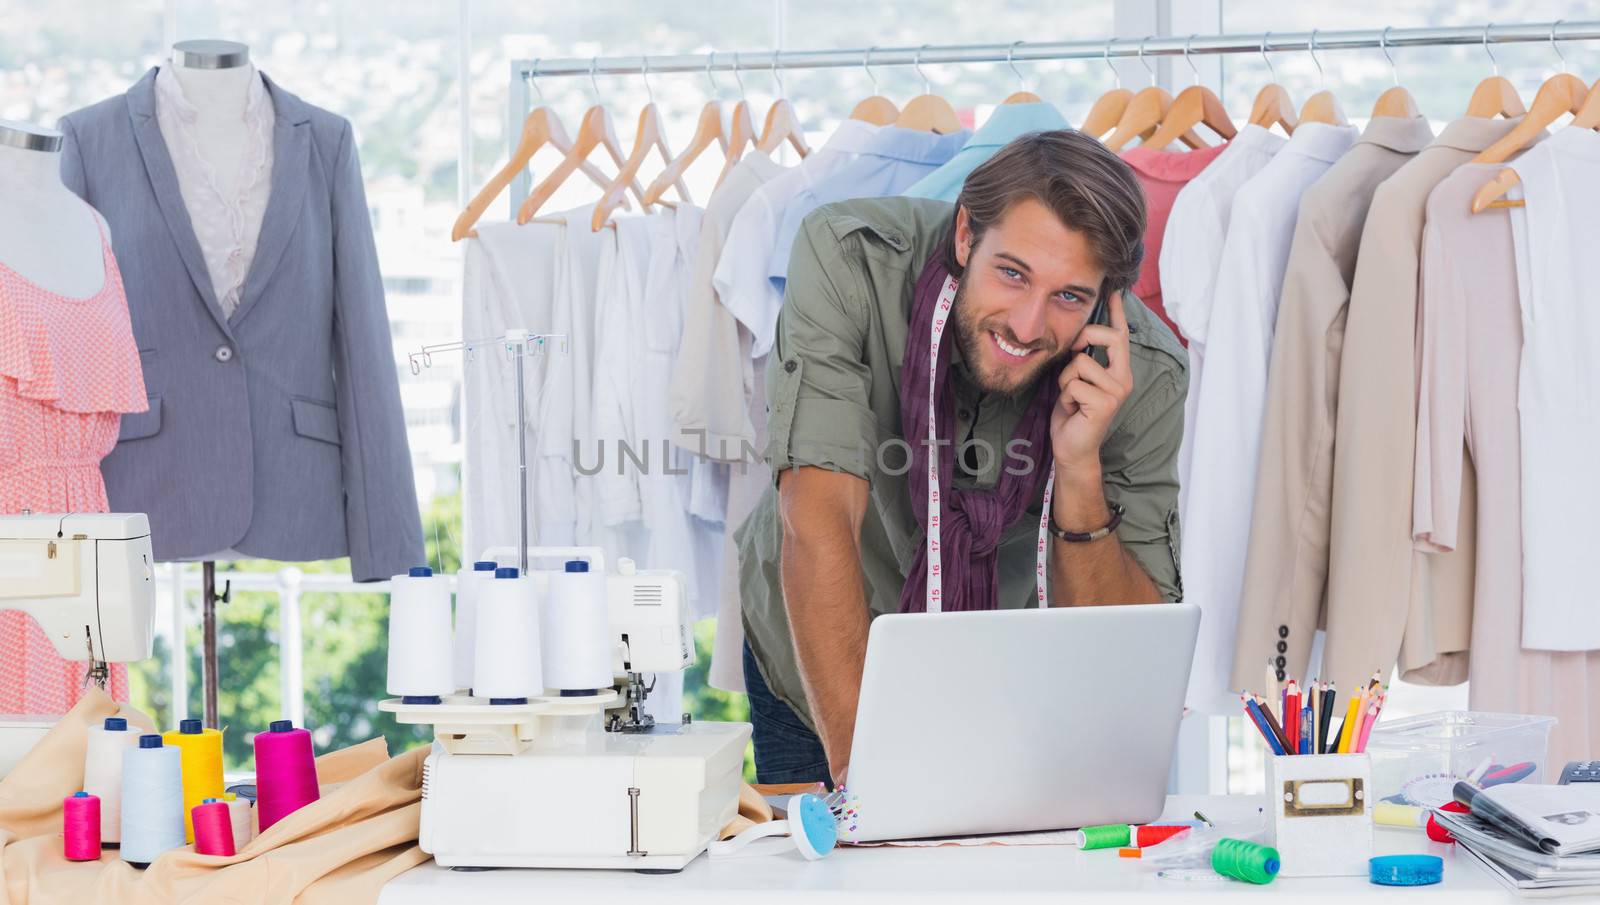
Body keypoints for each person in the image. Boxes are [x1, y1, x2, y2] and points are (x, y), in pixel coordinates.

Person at [736, 130, 1189, 785]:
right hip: (823, 656)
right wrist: (872, 793)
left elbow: (1132, 656)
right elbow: (819, 517)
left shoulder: (1145, 371)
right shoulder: (848, 260)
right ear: (965, 237)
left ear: (1104, 299)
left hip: (1013, 691)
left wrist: (1080, 468)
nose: (1028, 325)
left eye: (1067, 296)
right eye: (1013, 274)